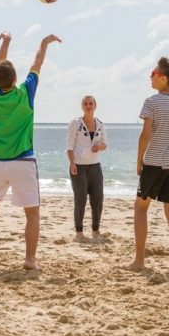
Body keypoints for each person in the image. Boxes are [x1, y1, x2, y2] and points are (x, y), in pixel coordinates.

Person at [0, 32, 61, 269]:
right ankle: (29, 260)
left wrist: (6, 41)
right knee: (32, 215)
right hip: (23, 163)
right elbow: (37, 64)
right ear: (15, 79)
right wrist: (44, 43)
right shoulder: (24, 93)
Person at [128, 57, 169, 274]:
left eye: (153, 73)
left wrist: (139, 160)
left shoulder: (152, 102)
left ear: (163, 78)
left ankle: (139, 261)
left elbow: (145, 135)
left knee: (140, 207)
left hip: (155, 162)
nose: (150, 76)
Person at [66, 95, 107, 240]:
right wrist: (72, 163)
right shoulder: (75, 124)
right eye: (85, 103)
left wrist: (99, 147)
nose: (88, 106)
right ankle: (79, 232)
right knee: (80, 199)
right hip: (78, 167)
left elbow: (105, 144)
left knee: (97, 199)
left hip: (95, 167)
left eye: (91, 103)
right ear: (82, 107)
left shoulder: (100, 124)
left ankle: (96, 230)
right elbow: (69, 146)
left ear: (95, 106)